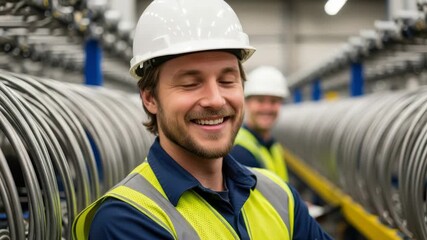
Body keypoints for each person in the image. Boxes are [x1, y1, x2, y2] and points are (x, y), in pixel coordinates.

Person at [72, 0, 333, 239]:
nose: (216, 99)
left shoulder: (279, 196)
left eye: (227, 80)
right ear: (150, 98)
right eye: (190, 83)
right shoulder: (127, 219)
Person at [231, 66, 290, 182]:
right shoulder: (239, 151)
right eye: (260, 101)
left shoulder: (273, 146)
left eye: (274, 101)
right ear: (246, 103)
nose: (267, 108)